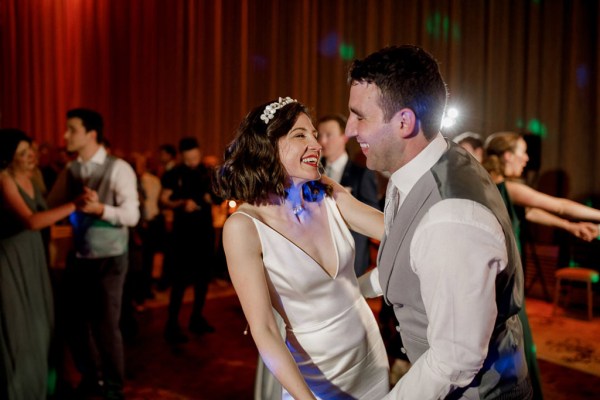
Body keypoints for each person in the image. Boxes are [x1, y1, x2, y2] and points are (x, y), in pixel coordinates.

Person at [347, 45, 532, 399]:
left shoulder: (450, 221)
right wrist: (351, 290)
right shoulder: (421, 167)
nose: (351, 129)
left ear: (403, 122)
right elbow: (409, 262)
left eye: (360, 117)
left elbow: (455, 359)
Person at [215, 97, 389, 399]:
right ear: (267, 145)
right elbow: (264, 330)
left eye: (314, 134)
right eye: (300, 135)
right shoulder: (243, 228)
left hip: (371, 359)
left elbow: (389, 229)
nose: (316, 144)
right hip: (315, 378)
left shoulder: (326, 190)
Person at [47, 108, 140, 399]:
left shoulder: (119, 168)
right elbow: (50, 205)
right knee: (73, 323)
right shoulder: (71, 170)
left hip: (111, 258)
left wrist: (100, 209)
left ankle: (113, 387)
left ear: (91, 134)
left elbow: (132, 216)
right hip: (80, 256)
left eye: (71, 129)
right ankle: (91, 376)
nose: (65, 136)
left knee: (105, 325)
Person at [0, 129, 83, 400]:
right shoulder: (4, 179)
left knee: (41, 324)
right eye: (23, 153)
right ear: (8, 157)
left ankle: (41, 388)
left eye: (31, 150)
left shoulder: (33, 178)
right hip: (11, 261)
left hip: (34, 257)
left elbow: (46, 212)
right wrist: (75, 205)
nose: (30, 156)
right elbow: (32, 221)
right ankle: (19, 390)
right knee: (18, 327)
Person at [484, 131, 600, 242]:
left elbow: (530, 212)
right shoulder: (509, 189)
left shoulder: (488, 184)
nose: (527, 158)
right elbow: (561, 207)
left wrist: (570, 226)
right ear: (508, 156)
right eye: (524, 152)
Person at [160, 137, 215, 344]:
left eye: (195, 157)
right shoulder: (173, 174)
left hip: (205, 232)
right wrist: (181, 203)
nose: (192, 161)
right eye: (188, 158)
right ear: (182, 156)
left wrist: (213, 197)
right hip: (182, 235)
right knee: (180, 281)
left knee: (202, 279)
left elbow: (218, 197)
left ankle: (197, 317)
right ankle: (172, 323)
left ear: (199, 153)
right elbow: (163, 200)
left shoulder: (208, 172)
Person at [317, 114, 380, 276]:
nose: (322, 141)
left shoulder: (361, 174)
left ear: (344, 137)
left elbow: (371, 213)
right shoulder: (312, 173)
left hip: (350, 255)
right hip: (318, 255)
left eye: (328, 135)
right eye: (319, 136)